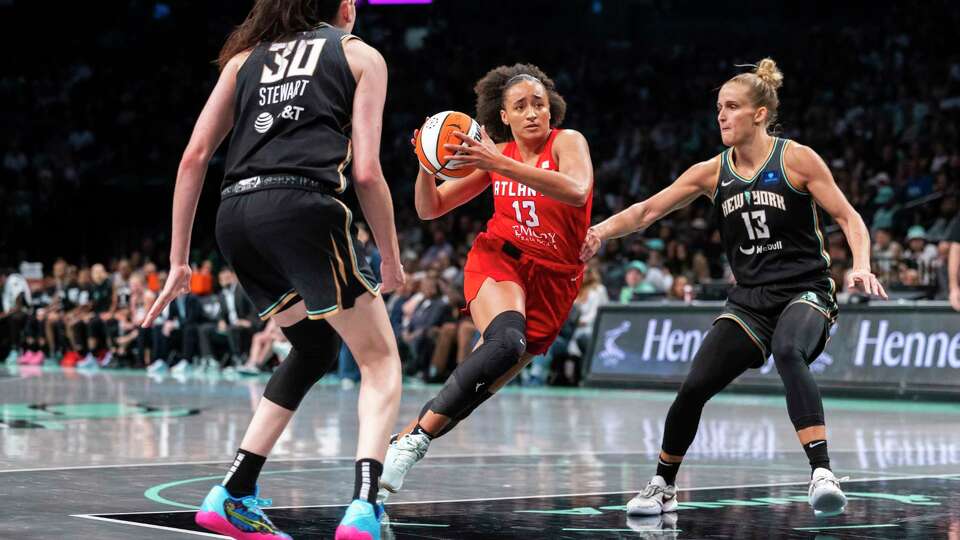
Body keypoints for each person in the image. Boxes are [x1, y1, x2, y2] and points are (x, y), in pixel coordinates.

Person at [141, 1, 404, 538]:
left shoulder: (243, 60)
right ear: (337, 7)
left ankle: (233, 493)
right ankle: (363, 508)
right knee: (380, 362)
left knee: (314, 348)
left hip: (236, 219)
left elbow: (193, 157)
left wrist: (178, 261)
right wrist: (391, 259)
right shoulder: (360, 56)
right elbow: (368, 173)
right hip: (303, 210)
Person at [580, 59, 887, 518]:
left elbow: (849, 217)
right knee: (694, 387)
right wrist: (599, 232)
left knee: (788, 351)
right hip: (749, 301)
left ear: (759, 113)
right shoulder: (711, 171)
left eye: (732, 107)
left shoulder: (796, 159)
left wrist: (860, 264)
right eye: (719, 107)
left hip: (806, 292)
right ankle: (663, 485)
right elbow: (646, 211)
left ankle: (822, 472)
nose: (721, 116)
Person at [380, 63, 594, 496]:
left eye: (539, 103)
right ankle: (414, 445)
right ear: (504, 116)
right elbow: (429, 208)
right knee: (505, 342)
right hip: (501, 260)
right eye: (521, 106)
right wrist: (426, 162)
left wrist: (500, 163)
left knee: (481, 383)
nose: (533, 112)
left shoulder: (567, 142)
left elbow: (577, 190)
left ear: (551, 110)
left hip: (556, 280)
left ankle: (408, 436)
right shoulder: (495, 155)